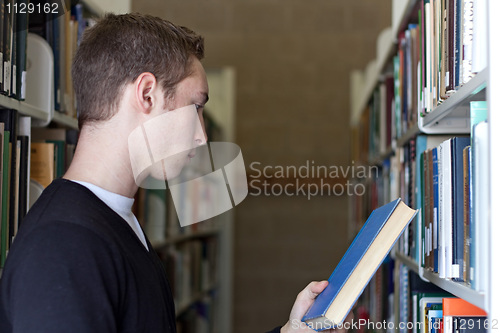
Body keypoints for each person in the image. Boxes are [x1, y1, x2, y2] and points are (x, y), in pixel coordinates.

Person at [0, 13, 342, 333]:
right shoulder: (63, 247)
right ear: (147, 94)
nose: (202, 135)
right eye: (196, 106)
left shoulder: (115, 219)